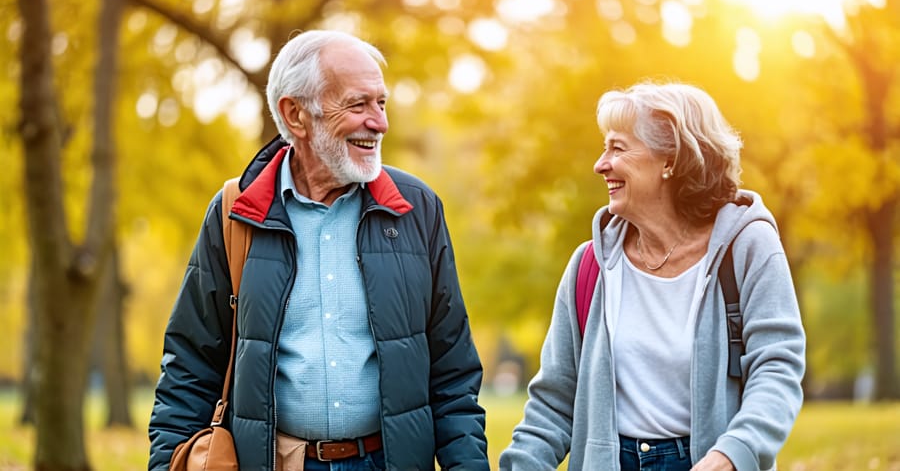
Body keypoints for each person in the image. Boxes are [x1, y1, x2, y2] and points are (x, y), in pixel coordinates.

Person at [148, 30, 489, 471]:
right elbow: (189, 368)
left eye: (381, 103)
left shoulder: (416, 209)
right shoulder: (235, 213)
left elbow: (453, 372)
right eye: (358, 104)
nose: (380, 122)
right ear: (296, 116)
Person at [499, 82, 805, 471]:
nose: (600, 164)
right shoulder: (590, 265)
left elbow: (776, 367)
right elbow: (554, 401)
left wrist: (733, 453)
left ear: (670, 161)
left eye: (618, 147)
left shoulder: (747, 247)